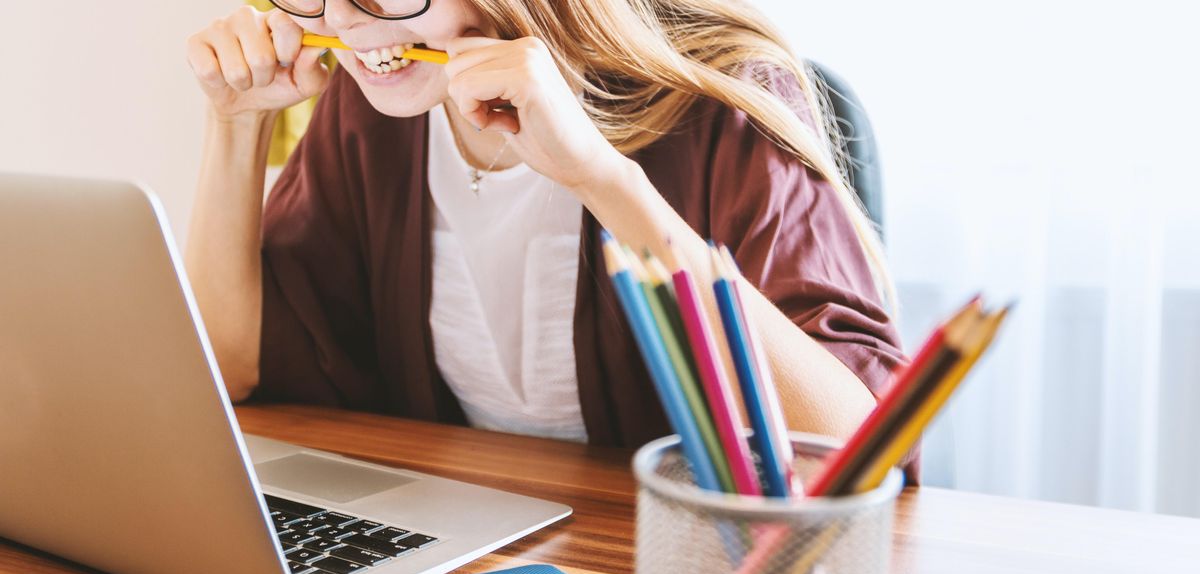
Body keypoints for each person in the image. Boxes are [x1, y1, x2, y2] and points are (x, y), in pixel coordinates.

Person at [184, 0, 907, 450]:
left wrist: (603, 178)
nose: (339, 21)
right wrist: (235, 125)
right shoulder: (374, 110)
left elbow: (855, 446)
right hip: (471, 552)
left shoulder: (724, 99)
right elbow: (232, 365)